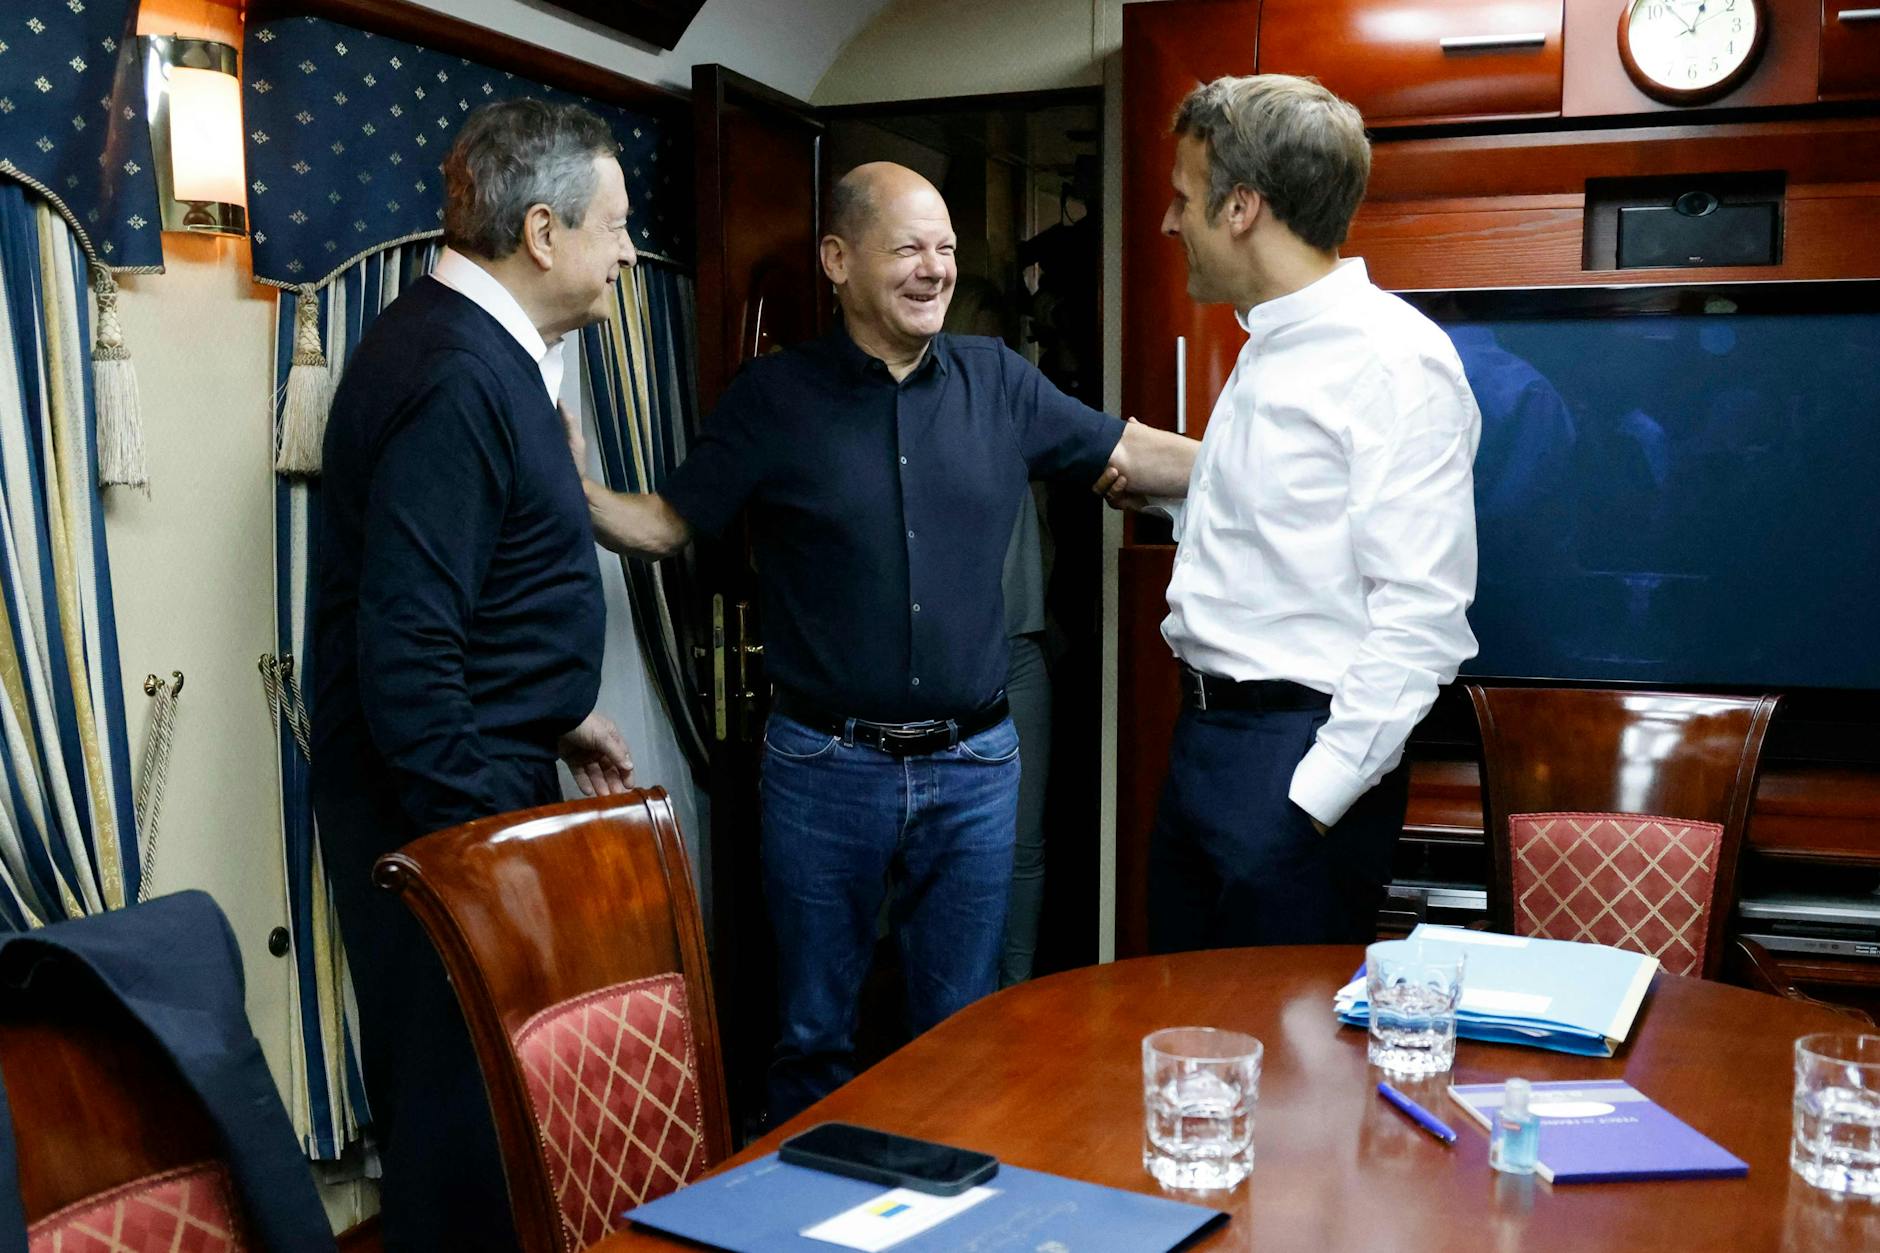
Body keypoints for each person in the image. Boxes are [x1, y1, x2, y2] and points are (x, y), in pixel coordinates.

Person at [580, 161, 1196, 1123]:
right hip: (824, 766)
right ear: (838, 258)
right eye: (909, 247)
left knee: (960, 1028)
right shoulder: (771, 398)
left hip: (976, 765)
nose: (935, 269)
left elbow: (1130, 450)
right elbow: (666, 524)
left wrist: (1268, 459)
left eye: (946, 248)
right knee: (813, 1031)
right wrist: (571, 486)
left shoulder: (998, 379)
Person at [310, 99, 637, 1250]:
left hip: (481, 780)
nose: (627, 252)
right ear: (542, 232)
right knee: (461, 1147)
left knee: (497, 1134)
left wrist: (562, 712)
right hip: (440, 819)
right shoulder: (454, 370)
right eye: (612, 227)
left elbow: (473, 599)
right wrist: (479, 866)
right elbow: (407, 654)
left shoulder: (482, 350)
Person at [1105, 75, 1480, 951]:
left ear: (1242, 207)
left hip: (1295, 759)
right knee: (1190, 1052)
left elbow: (1422, 616)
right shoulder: (1265, 340)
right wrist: (1175, 487)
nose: (1168, 222)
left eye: (1182, 198)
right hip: (1205, 740)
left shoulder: (1393, 360)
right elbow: (1281, 540)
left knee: (1287, 1069)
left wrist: (1311, 800)